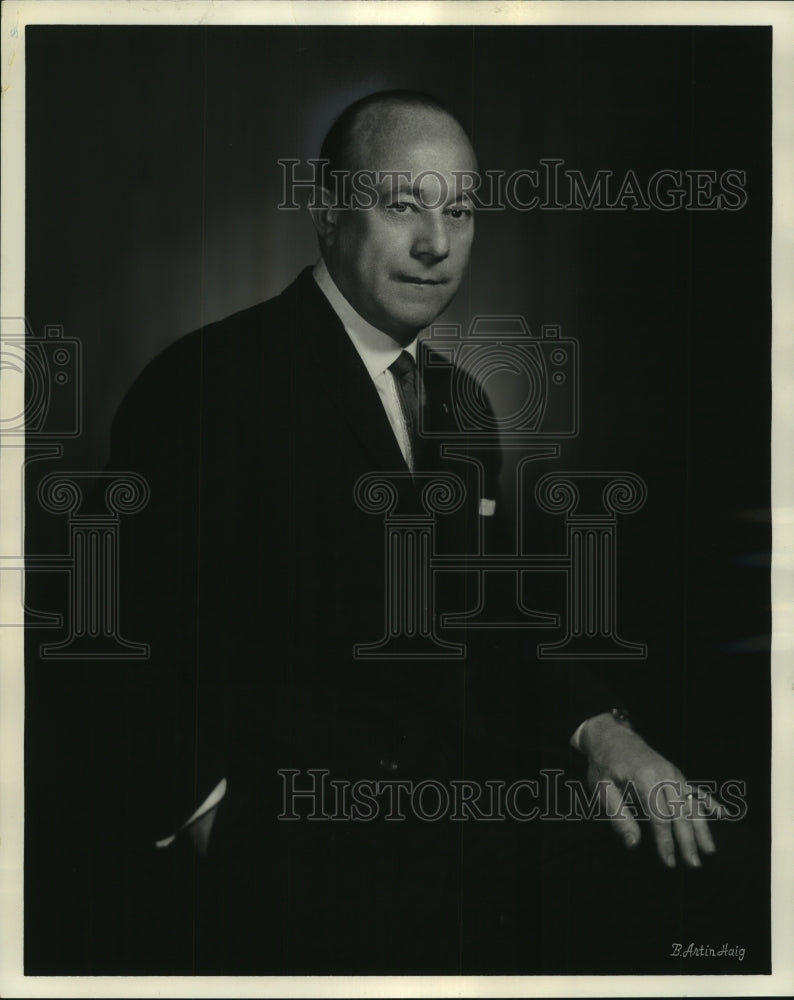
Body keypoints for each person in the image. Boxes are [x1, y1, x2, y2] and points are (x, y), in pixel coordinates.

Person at [80, 90, 736, 975]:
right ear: (326, 211)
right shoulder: (206, 382)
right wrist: (210, 822)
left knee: (709, 890)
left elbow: (490, 619)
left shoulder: (463, 406)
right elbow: (119, 639)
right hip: (284, 862)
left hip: (452, 836)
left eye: (458, 211)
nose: (437, 243)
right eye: (403, 205)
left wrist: (602, 729)